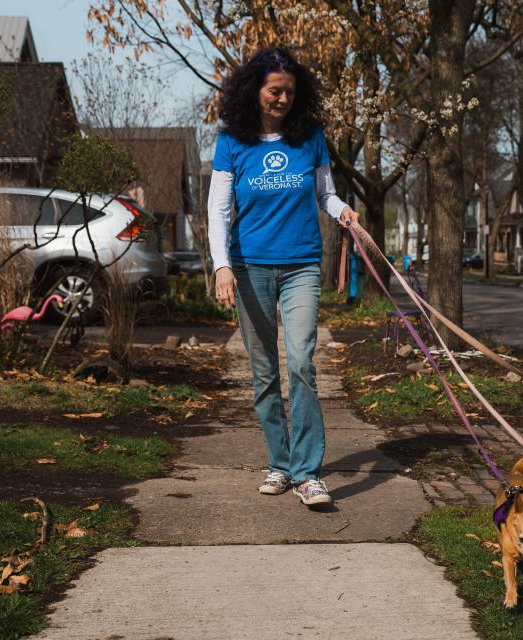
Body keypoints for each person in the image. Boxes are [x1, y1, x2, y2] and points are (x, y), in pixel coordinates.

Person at [207, 47, 357, 507]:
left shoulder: (310, 137)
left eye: (290, 92)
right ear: (256, 90)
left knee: (301, 365)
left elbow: (325, 194)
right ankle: (279, 463)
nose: (283, 99)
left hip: (301, 266)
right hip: (250, 267)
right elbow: (218, 210)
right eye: (276, 90)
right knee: (265, 372)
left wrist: (343, 211)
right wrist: (222, 266)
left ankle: (308, 472)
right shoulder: (232, 142)